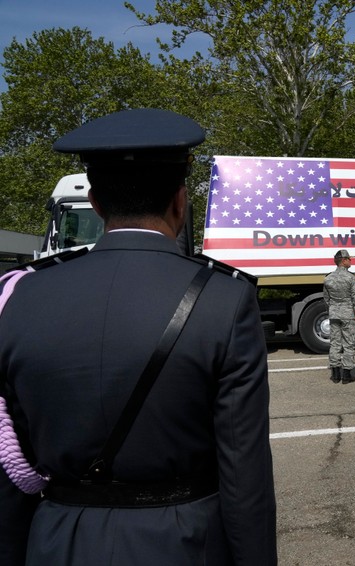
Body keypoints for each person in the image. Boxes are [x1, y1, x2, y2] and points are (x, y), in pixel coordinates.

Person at [0, 108, 277, 565]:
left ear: (95, 202)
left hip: (56, 540)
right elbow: (243, 474)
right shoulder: (224, 300)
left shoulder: (19, 297)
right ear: (180, 201)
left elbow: (10, 471)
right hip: (183, 542)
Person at [323, 249, 355, 384]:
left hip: (334, 314)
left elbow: (326, 299)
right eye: (349, 259)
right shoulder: (351, 278)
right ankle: (346, 375)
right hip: (348, 315)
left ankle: (335, 374)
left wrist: (332, 310)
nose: (350, 261)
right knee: (349, 344)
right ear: (344, 260)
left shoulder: (328, 278)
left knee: (335, 343)